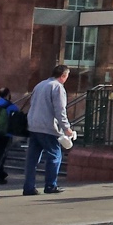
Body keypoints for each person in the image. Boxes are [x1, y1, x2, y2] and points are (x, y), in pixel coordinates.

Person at [23, 64, 75, 196]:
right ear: (63, 75)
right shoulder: (57, 87)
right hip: (48, 127)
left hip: (34, 125)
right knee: (55, 155)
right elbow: (60, 110)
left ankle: (29, 187)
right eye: (67, 76)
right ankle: (50, 185)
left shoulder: (40, 85)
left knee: (32, 159)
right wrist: (67, 128)